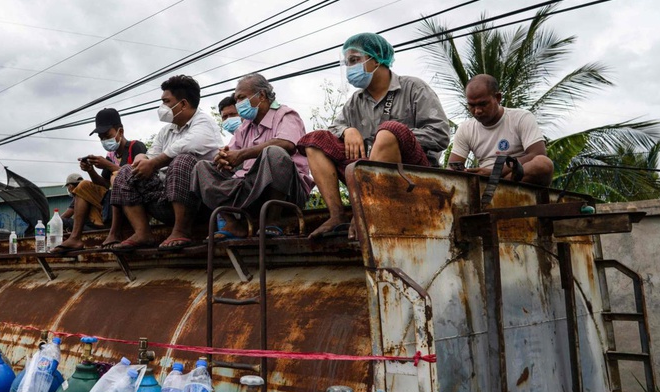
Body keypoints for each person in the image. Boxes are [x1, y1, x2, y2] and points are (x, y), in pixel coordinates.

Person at [298, 33, 450, 238]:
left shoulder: (414, 88)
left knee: (388, 131)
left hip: (414, 174)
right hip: (365, 172)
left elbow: (440, 133)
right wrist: (347, 130)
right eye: (347, 62)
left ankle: (364, 214)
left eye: (354, 60)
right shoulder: (356, 100)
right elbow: (336, 126)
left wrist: (393, 137)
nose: (350, 67)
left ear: (376, 59)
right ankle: (337, 215)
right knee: (315, 141)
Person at [109, 74, 223, 251]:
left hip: (200, 202)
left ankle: (181, 230)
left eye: (166, 101)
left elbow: (184, 146)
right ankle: (142, 233)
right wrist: (141, 159)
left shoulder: (204, 123)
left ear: (183, 104)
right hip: (166, 198)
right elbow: (151, 154)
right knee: (125, 172)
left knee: (182, 160)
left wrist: (153, 163)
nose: (162, 107)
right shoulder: (166, 131)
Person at [192, 74, 314, 238]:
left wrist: (242, 155)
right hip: (251, 187)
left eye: (242, 98)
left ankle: (273, 220)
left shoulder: (286, 115)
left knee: (275, 152)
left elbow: (287, 144)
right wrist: (223, 158)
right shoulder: (245, 127)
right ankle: (233, 224)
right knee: (201, 168)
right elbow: (230, 153)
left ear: (261, 95)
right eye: (237, 100)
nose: (238, 104)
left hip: (287, 190)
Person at [55, 109, 147, 252]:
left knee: (116, 177)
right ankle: (75, 238)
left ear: (120, 132)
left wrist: (108, 165)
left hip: (134, 200)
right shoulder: (110, 155)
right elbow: (104, 185)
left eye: (107, 135)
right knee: (84, 185)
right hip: (115, 202)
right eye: (101, 138)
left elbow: (134, 173)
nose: (104, 140)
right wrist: (90, 170)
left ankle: (114, 233)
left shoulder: (136, 146)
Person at [448, 74, 554, 185]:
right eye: (472, 105)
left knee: (543, 163)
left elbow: (538, 153)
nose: (477, 111)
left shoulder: (521, 118)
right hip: (483, 183)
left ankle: (500, 188)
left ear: (498, 98)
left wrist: (495, 173)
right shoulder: (466, 129)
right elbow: (452, 168)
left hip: (517, 178)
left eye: (483, 104)